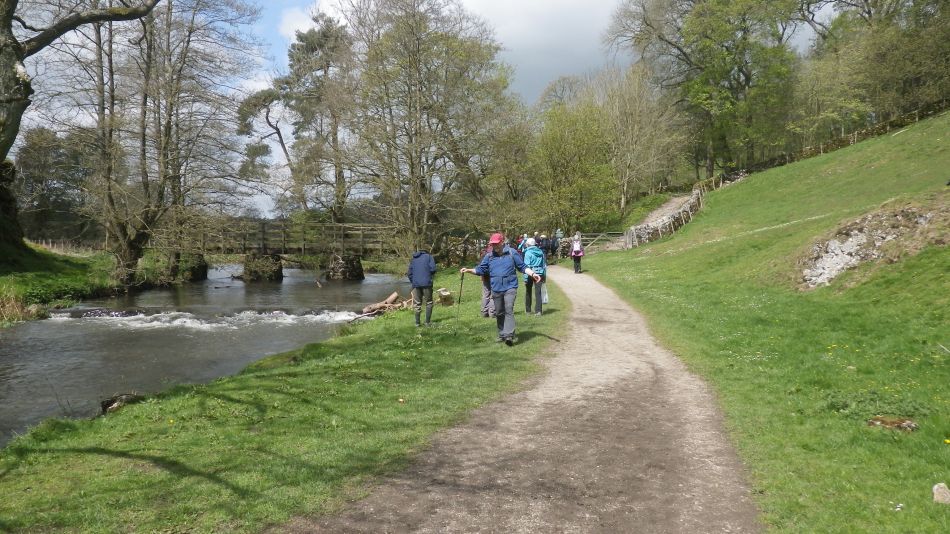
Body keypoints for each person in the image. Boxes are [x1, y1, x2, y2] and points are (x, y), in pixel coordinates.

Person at [460, 233, 541, 346]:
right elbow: (481, 270)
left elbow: (522, 267)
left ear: (502, 242)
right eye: (492, 244)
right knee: (499, 312)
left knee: (508, 308)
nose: (494, 246)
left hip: (510, 287)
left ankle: (509, 335)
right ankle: (502, 334)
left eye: (496, 243)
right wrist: (468, 270)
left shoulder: (512, 253)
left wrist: (533, 274)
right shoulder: (489, 256)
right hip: (496, 288)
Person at [407, 248, 436, 326]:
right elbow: (433, 269)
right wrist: (429, 276)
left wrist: (413, 281)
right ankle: (427, 322)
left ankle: (417, 323)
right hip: (427, 283)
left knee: (417, 304)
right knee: (429, 302)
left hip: (415, 284)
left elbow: (409, 273)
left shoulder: (413, 259)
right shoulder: (429, 257)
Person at [522, 238, 547, 315]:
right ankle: (538, 311)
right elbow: (544, 265)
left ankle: (528, 310)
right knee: (538, 292)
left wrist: (525, 278)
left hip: (531, 273)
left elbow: (526, 266)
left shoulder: (527, 253)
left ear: (528, 244)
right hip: (540, 273)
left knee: (528, 291)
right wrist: (544, 276)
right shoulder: (541, 252)